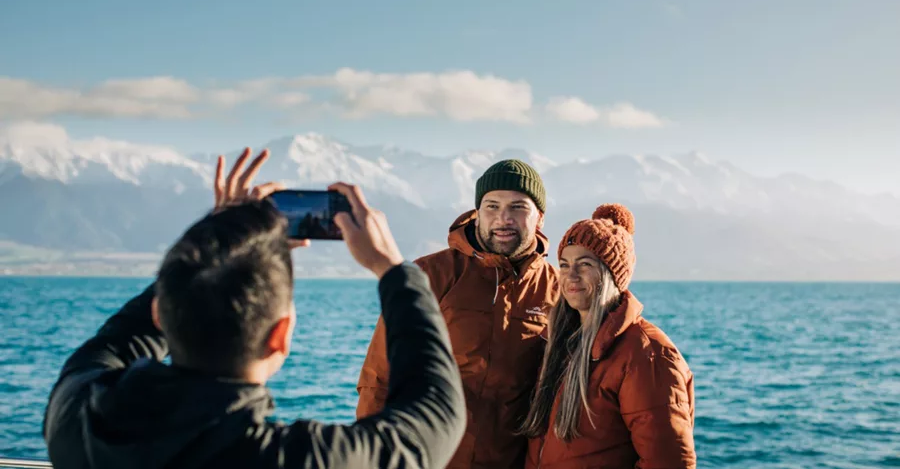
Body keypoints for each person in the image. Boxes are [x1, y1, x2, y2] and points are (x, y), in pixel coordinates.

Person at [42, 148, 466, 469]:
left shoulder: (76, 418)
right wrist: (391, 267)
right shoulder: (289, 458)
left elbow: (116, 341)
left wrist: (220, 235)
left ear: (161, 316)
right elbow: (437, 415)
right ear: (279, 337)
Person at [356, 159, 560, 468]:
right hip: (429, 459)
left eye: (518, 208)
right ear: (477, 213)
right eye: (492, 206)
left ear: (539, 218)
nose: (503, 219)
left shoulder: (557, 290)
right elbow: (379, 375)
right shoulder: (429, 274)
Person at [520, 203, 696, 469]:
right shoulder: (561, 343)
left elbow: (669, 462)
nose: (571, 276)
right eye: (565, 265)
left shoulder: (647, 354)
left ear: (611, 275)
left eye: (585, 264)